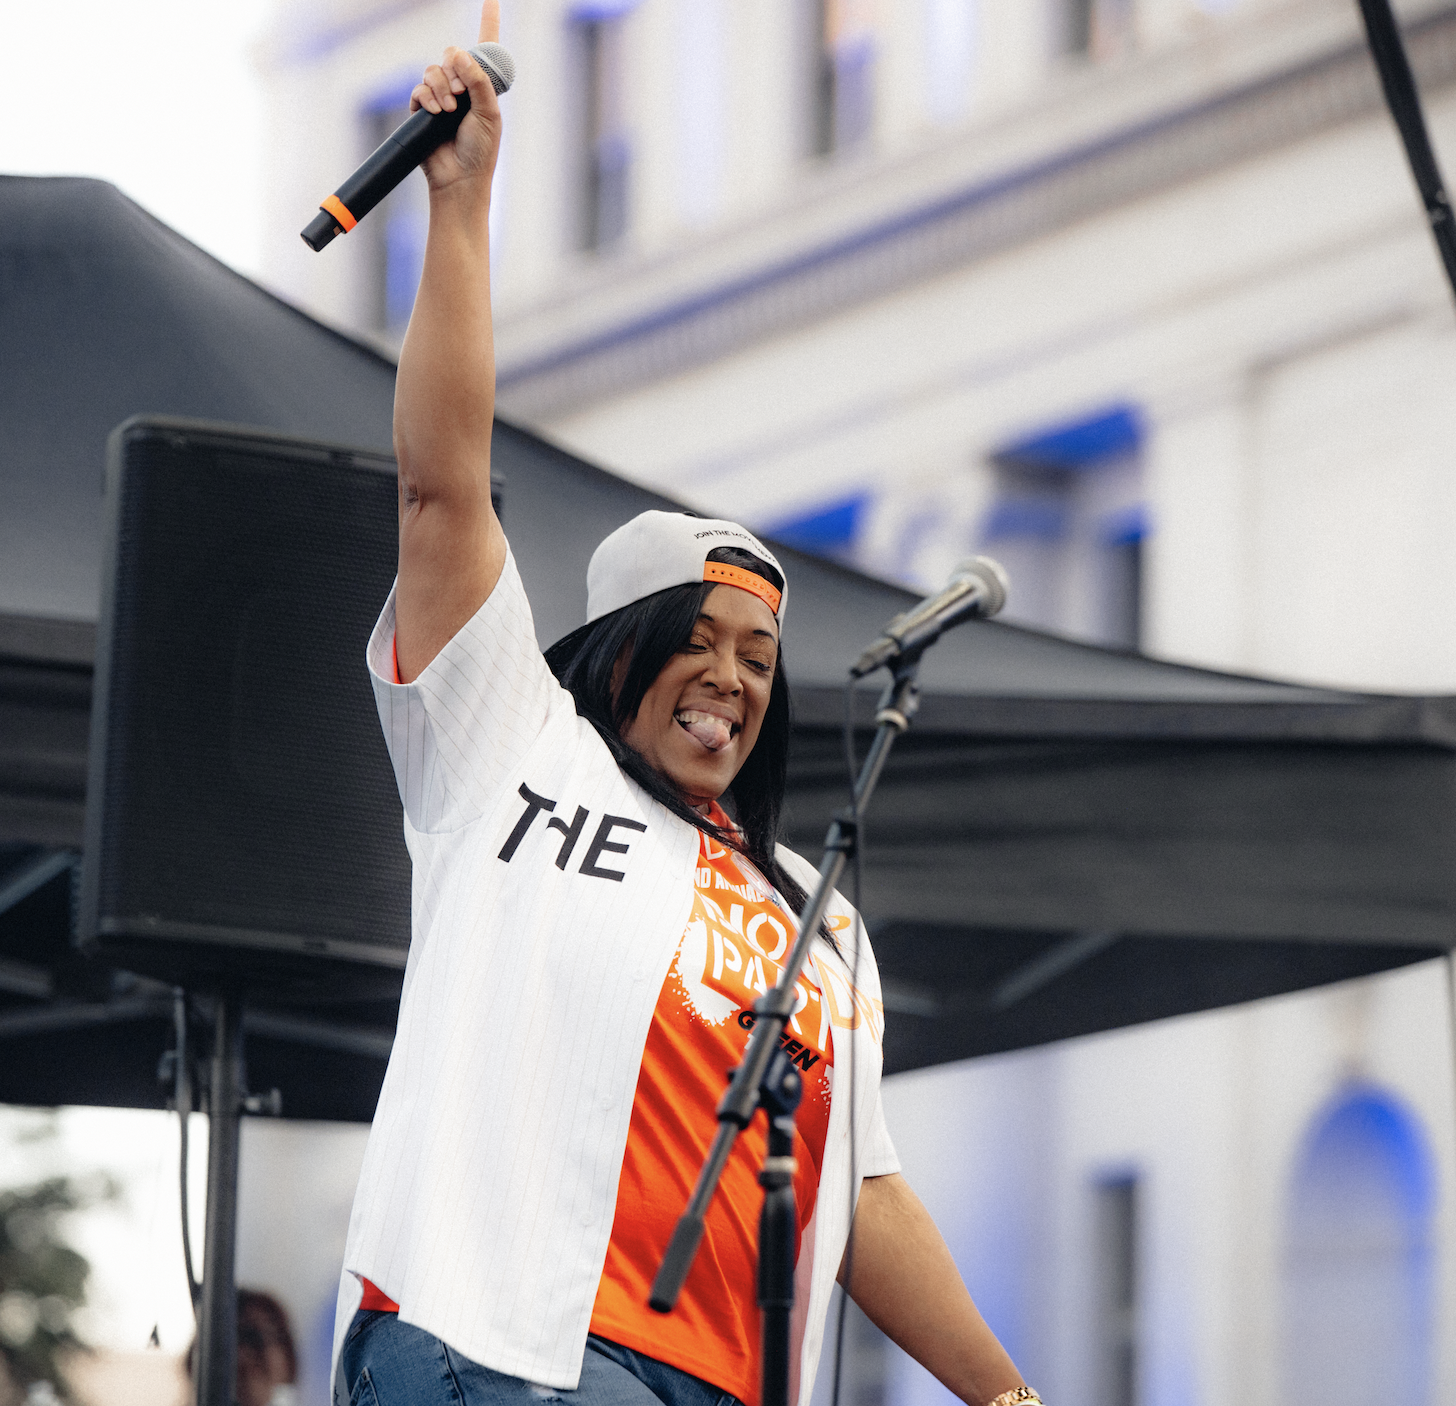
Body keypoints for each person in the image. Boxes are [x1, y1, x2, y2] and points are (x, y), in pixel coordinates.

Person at [332, 7, 1037, 1406]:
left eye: (759, 660)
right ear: (618, 649)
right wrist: (462, 206)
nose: (730, 676)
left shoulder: (813, 918)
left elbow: (865, 1190)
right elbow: (441, 484)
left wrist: (1004, 1394)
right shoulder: (510, 749)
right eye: (698, 640)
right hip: (496, 1349)